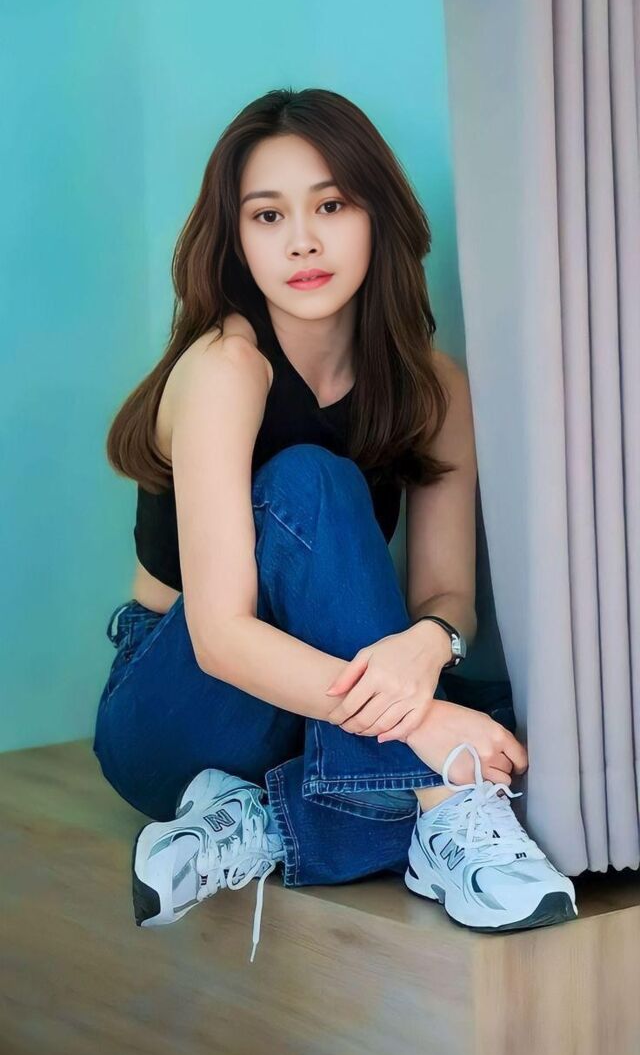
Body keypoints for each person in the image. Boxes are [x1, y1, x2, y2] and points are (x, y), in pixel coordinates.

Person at [93, 88, 577, 964]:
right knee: (312, 479)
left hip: (318, 713)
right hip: (177, 708)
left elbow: (446, 593)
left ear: (376, 215)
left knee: (544, 722)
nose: (302, 241)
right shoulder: (227, 367)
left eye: (331, 205)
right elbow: (220, 637)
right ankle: (436, 805)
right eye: (268, 215)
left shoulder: (433, 389)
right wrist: (426, 727)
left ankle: (262, 818)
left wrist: (428, 644)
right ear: (237, 238)